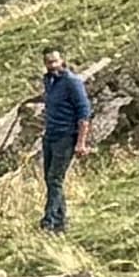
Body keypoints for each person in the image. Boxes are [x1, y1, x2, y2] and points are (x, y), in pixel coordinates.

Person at [37, 47, 92, 235]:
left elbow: (84, 113)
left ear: (62, 60)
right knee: (50, 179)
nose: (52, 65)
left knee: (55, 178)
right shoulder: (49, 81)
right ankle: (60, 223)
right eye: (48, 62)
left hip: (66, 137)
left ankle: (49, 222)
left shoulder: (72, 82)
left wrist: (81, 143)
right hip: (50, 136)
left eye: (55, 61)